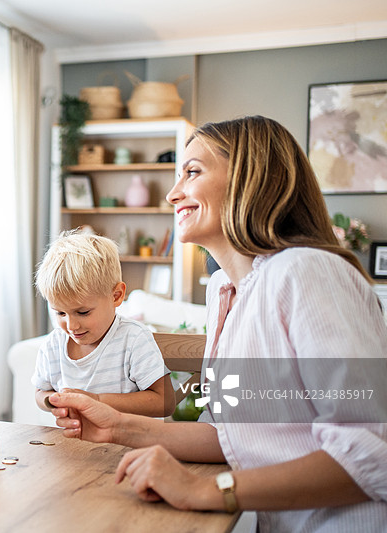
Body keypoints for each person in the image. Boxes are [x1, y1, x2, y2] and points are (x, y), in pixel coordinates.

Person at [49, 116, 387, 531]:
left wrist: (206, 491)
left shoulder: (306, 272)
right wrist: (115, 426)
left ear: (251, 178)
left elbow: (371, 455)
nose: (174, 194)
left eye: (191, 172)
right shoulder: (225, 290)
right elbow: (224, 434)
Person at [32, 230, 174, 417]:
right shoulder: (53, 345)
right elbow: (40, 393)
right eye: (60, 313)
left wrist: (96, 401)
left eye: (83, 312)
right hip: (70, 442)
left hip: (125, 443)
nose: (71, 325)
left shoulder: (133, 339)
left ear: (116, 296)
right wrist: (53, 401)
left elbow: (165, 402)